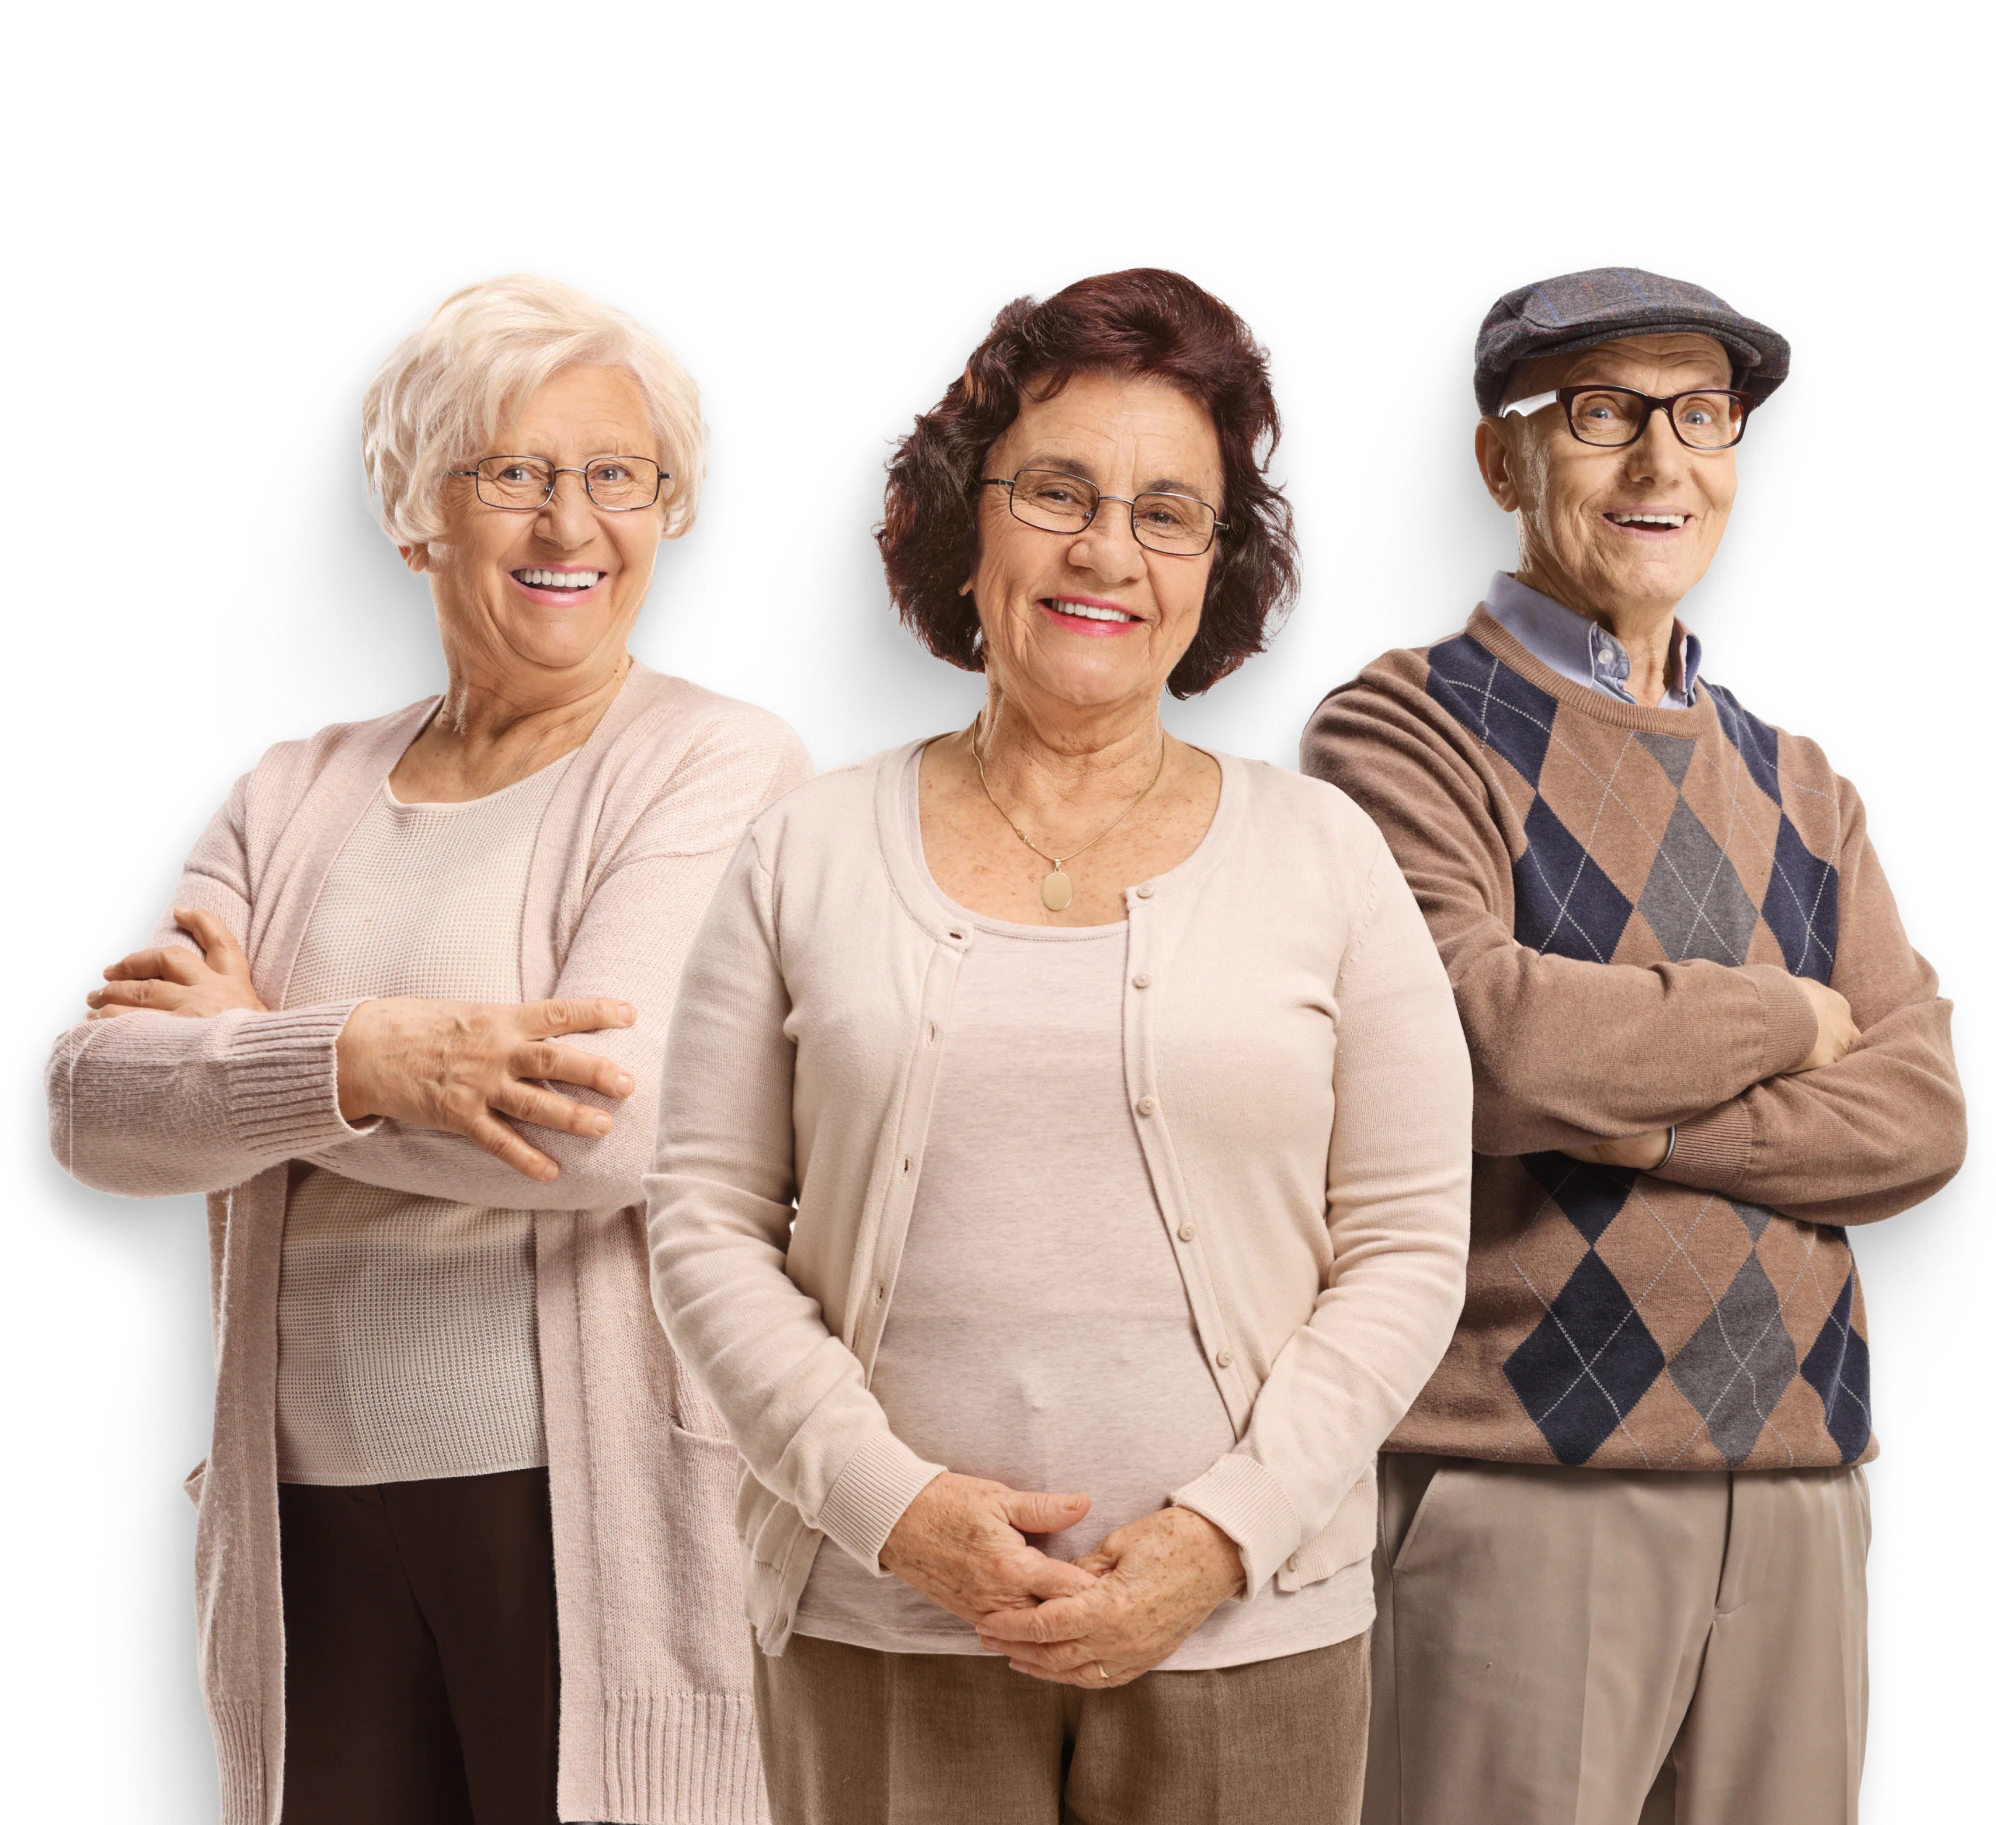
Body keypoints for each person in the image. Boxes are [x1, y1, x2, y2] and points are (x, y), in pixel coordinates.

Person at [646, 265, 1473, 1825]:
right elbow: (700, 1222)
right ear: (969, 522)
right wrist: (893, 1512)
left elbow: (1412, 1241)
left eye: (1170, 511)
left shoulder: (1328, 852)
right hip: (878, 1624)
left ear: (1221, 562)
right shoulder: (803, 848)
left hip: (1255, 1637)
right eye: (1060, 493)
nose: (1108, 551)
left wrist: (1220, 1535)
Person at [44, 270, 812, 1825]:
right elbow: (95, 1109)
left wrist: (252, 1065)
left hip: (590, 1514)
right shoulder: (291, 792)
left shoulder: (717, 763)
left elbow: (611, 1126)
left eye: (618, 477)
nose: (570, 527)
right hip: (301, 1513)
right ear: (413, 515)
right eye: (513, 474)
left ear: (667, 512)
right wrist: (371, 1060)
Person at [1301, 264, 1972, 1825]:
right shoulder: (1397, 732)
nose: (1663, 466)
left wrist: (1641, 1118)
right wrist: (1788, 1020)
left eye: (1703, 418)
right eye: (1601, 414)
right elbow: (1496, 1044)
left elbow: (1919, 1121)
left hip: (1803, 1480)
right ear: (1501, 460)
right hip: (1525, 1480)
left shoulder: (1808, 787)